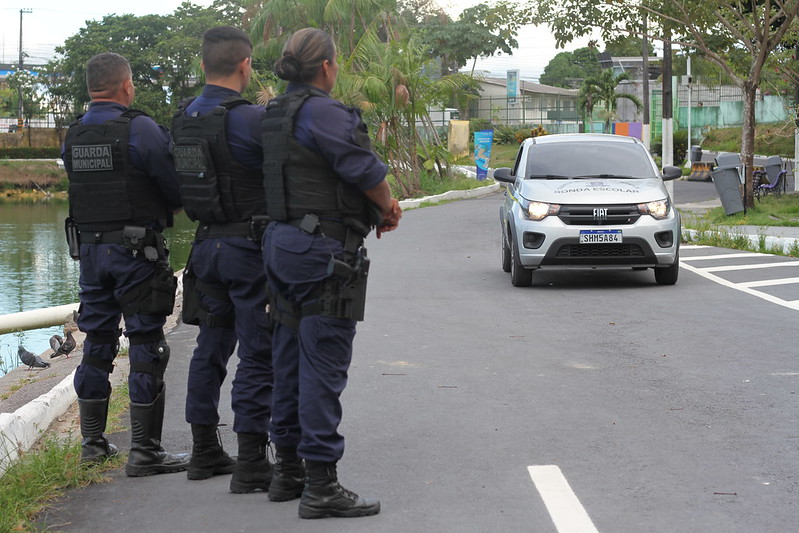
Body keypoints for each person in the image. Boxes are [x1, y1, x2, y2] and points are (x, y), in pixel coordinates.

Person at [261, 27, 401, 518]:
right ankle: (320, 485)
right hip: (321, 251)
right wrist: (386, 208)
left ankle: (287, 474)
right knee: (323, 363)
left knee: (286, 357)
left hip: (279, 244)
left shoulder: (274, 112)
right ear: (326, 67)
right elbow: (368, 174)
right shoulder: (325, 112)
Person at [62, 52, 189, 476]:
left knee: (96, 342)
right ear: (126, 85)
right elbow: (173, 186)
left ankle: (93, 445)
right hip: (137, 254)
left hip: (91, 254)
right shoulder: (140, 128)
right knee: (147, 344)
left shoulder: (73, 134)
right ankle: (145, 452)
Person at [170, 26, 273, 491]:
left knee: (209, 349)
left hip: (204, 247)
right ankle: (251, 460)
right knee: (257, 350)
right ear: (245, 65)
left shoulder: (183, 117)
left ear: (202, 64)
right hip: (247, 249)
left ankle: (203, 450)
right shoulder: (250, 119)